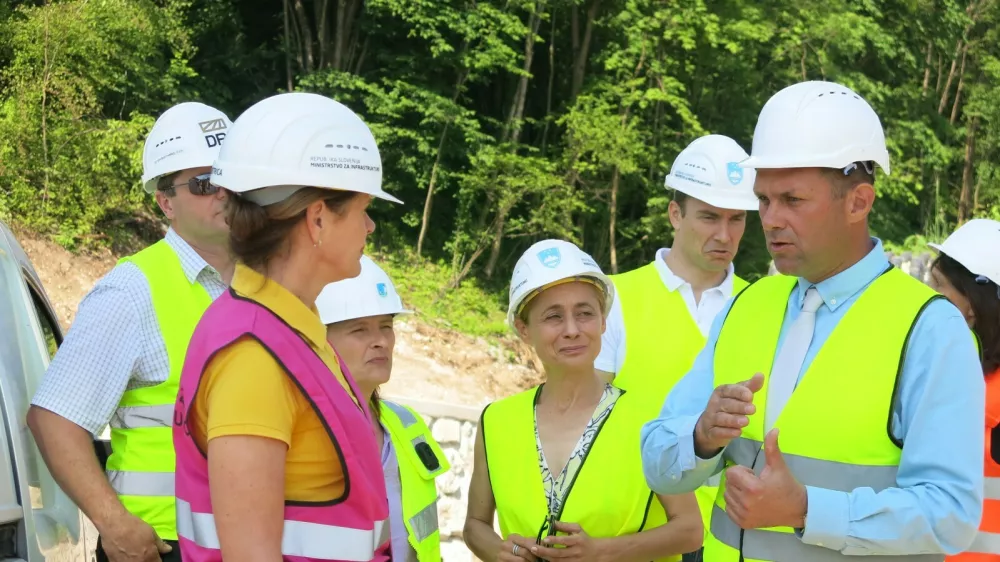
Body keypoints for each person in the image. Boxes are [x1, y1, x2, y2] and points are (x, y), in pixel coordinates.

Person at [639, 79, 985, 561]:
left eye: (793, 200)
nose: (770, 219)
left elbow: (951, 515)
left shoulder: (930, 330)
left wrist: (807, 510)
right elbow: (656, 460)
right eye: (764, 200)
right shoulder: (746, 306)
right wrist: (700, 436)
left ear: (858, 202)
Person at [171, 92, 402, 562]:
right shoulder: (253, 358)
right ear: (317, 219)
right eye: (362, 209)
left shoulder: (287, 330)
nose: (370, 226)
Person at [28, 101, 234, 562]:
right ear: (165, 201)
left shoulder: (268, 282)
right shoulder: (131, 291)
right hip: (162, 547)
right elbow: (53, 419)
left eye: (230, 176)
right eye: (204, 183)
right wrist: (116, 524)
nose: (223, 193)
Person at [464, 239, 703, 562]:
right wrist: (499, 552)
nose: (572, 330)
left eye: (585, 313)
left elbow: (690, 529)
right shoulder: (497, 422)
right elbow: (475, 525)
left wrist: (601, 552)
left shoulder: (649, 420)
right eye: (553, 317)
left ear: (603, 321)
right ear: (524, 329)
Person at [596, 134, 758, 560]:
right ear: (675, 214)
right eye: (709, 217)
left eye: (737, 219)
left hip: (728, 539)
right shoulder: (614, 299)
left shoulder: (761, 307)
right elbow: (583, 424)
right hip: (634, 535)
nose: (724, 234)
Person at [317, 255, 452, 562]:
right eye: (360, 330)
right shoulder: (306, 427)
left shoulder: (406, 423)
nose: (380, 341)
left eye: (386, 326)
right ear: (320, 340)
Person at [927, 218, 1000, 561]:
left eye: (939, 285)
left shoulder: (982, 396)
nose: (929, 296)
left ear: (972, 302)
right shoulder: (959, 373)